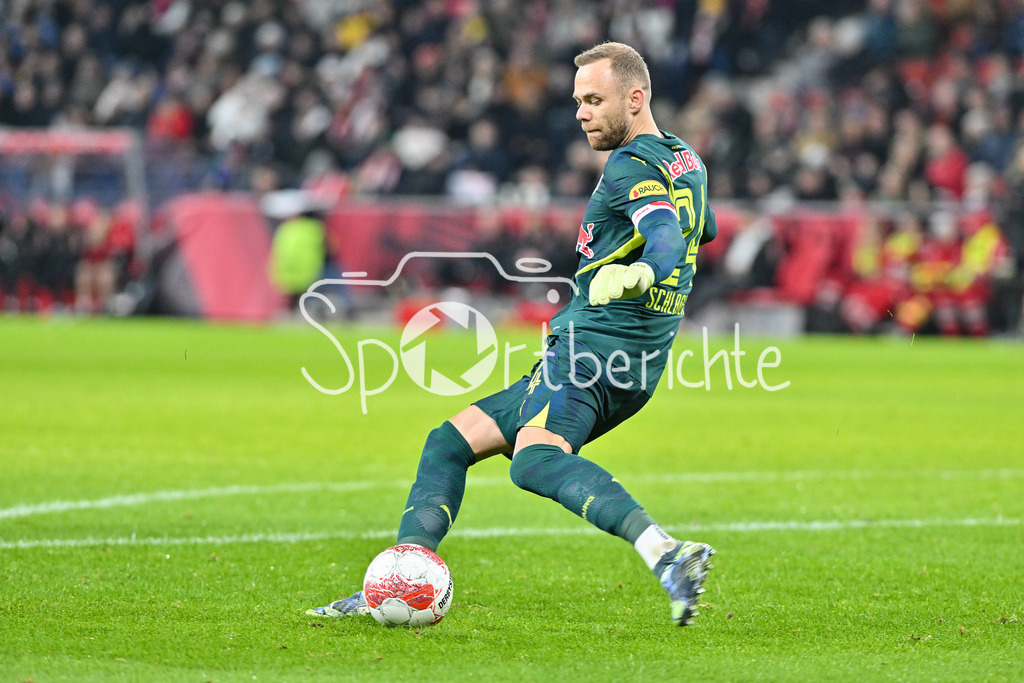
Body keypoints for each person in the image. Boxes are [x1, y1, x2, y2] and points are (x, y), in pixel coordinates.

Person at [308, 42, 718, 626]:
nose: (581, 112)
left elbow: (668, 237)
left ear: (636, 97)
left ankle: (667, 553)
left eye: (595, 100)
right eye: (578, 100)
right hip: (633, 361)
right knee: (447, 443)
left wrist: (644, 268)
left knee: (532, 462)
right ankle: (396, 582)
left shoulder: (628, 165)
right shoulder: (688, 162)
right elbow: (702, 229)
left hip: (592, 352)